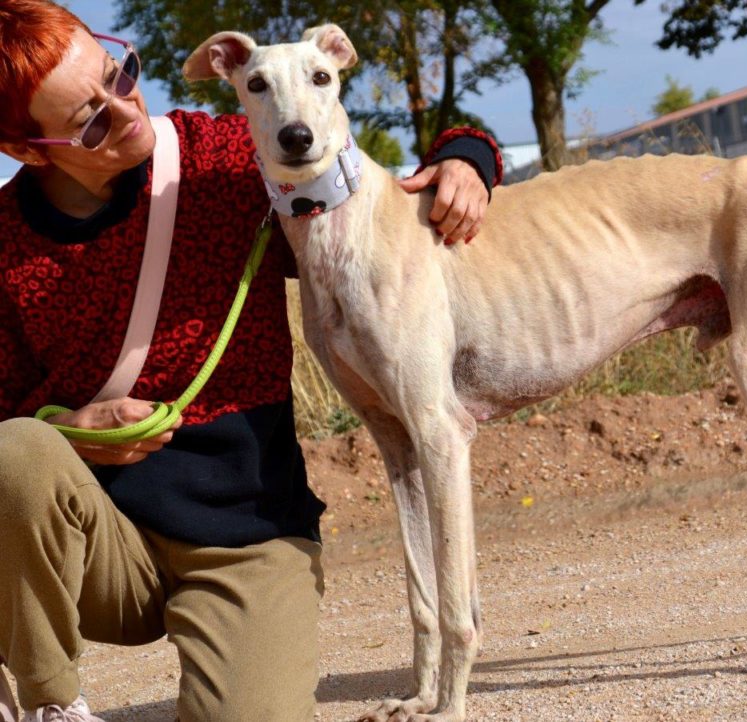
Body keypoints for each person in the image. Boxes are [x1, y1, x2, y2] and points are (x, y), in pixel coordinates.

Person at [0, 1, 503, 720]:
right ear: (28, 149)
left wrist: (467, 159)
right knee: (15, 453)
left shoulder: (231, 160)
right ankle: (49, 702)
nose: (129, 112)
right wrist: (75, 429)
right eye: (90, 119)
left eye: (123, 75)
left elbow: (359, 175)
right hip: (96, 549)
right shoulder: (7, 248)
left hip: (245, 535)